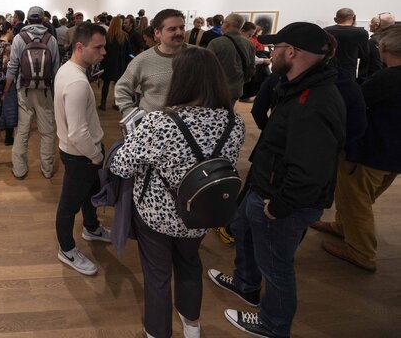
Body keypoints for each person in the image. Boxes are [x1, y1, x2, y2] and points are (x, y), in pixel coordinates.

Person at [209, 22, 346, 338]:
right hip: (264, 185)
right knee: (242, 230)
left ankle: (273, 324)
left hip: (280, 200)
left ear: (292, 52)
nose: (271, 53)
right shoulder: (296, 87)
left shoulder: (315, 100)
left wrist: (283, 203)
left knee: (276, 266)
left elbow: (313, 165)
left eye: (276, 48)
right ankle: (245, 284)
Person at [111, 47, 245, 338]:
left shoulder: (160, 122)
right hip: (201, 212)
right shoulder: (234, 123)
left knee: (157, 273)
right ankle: (192, 325)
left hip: (156, 213)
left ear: (181, 79)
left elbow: (121, 165)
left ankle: (157, 332)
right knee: (190, 264)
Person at [312, 25, 401, 272]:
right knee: (355, 197)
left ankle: (362, 252)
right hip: (392, 153)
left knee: (356, 201)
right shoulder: (389, 76)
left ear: (384, 48)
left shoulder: (388, 78)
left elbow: (356, 105)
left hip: (373, 151)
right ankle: (343, 227)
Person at [54, 22, 112, 276]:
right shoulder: (77, 81)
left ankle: (92, 228)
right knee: (69, 205)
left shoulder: (67, 69)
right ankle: (67, 249)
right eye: (98, 47)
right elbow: (77, 133)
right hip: (81, 155)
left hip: (80, 153)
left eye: (103, 47)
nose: (104, 52)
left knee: (90, 194)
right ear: (80, 46)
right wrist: (96, 155)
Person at [3, 6, 61, 179]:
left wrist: (6, 89)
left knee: (22, 130)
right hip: (45, 91)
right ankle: (47, 169)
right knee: (47, 132)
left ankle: (19, 169)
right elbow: (56, 68)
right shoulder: (51, 39)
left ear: (27, 20)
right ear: (43, 20)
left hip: (24, 90)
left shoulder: (19, 38)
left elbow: (12, 67)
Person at [115, 9, 188, 116]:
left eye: (182, 28)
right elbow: (122, 88)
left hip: (193, 124)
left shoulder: (200, 56)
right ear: (157, 33)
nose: (179, 32)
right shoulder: (142, 60)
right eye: (172, 29)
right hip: (154, 124)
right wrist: (131, 116)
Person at [207, 13, 257, 103]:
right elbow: (251, 69)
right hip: (236, 90)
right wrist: (241, 81)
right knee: (229, 110)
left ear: (226, 24)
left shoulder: (216, 43)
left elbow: (206, 67)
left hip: (216, 89)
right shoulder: (249, 44)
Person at [324, 7, 369, 81]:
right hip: (349, 73)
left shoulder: (326, 31)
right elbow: (364, 56)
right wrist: (362, 78)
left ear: (335, 19)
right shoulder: (361, 33)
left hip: (329, 73)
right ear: (354, 18)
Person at [99, 17, 131, 110]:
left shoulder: (107, 36)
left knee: (106, 83)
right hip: (120, 63)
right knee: (118, 84)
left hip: (107, 63)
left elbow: (102, 50)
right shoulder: (125, 36)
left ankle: (103, 104)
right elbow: (129, 52)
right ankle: (117, 104)